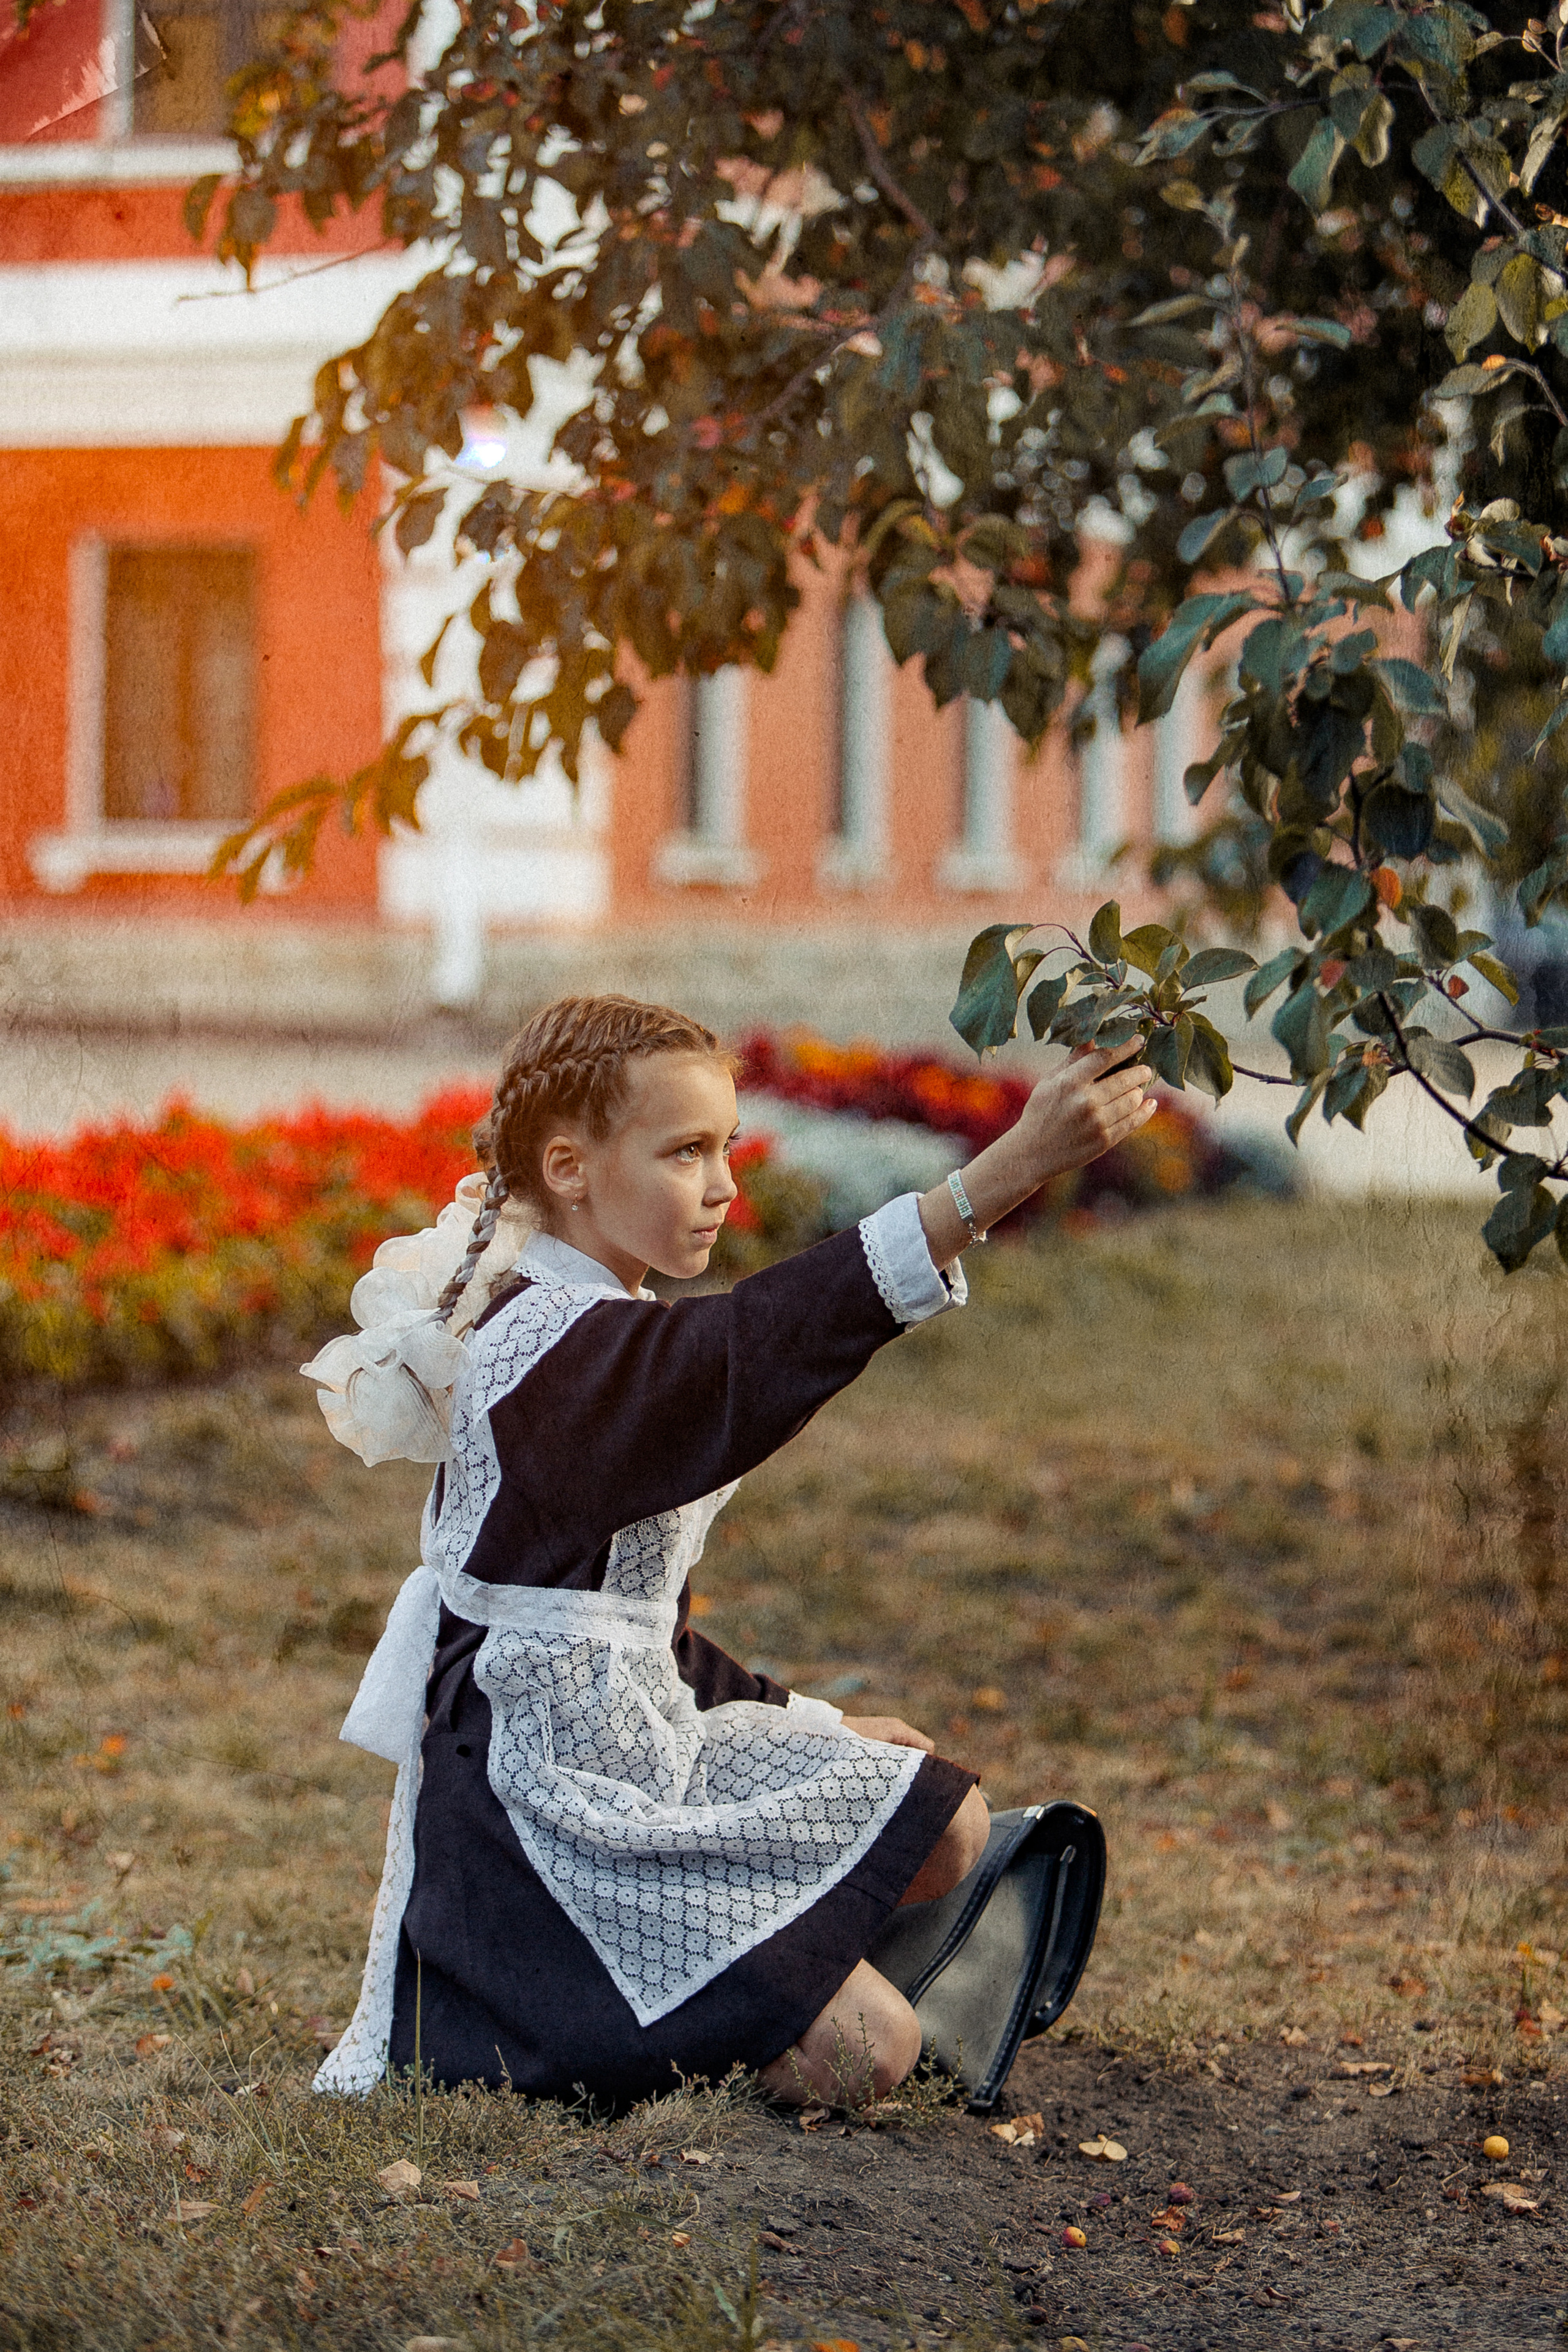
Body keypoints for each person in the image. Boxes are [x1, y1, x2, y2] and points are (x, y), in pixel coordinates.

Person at [306, 994, 1154, 2111]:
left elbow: (627, 1625)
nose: (722, 1186)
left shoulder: (598, 1325)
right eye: (686, 1152)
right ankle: (676, 2009)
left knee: (947, 1821)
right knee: (870, 2054)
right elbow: (757, 1346)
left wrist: (811, 1719)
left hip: (638, 1749)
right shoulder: (552, 1349)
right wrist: (1001, 1173)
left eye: (727, 1150)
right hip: (543, 1824)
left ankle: (780, 1976)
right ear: (569, 1168)